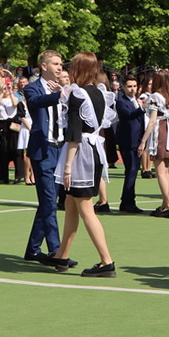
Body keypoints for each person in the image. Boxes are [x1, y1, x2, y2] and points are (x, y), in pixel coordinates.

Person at [50, 52, 116, 278]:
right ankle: (62, 254)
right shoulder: (99, 92)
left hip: (81, 154)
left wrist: (67, 166)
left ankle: (106, 261)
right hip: (95, 151)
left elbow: (74, 134)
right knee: (71, 203)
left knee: (85, 208)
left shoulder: (76, 94)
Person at [22, 50, 70, 267]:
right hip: (43, 149)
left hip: (61, 149)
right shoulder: (32, 87)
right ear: (43, 66)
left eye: (61, 64)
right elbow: (36, 102)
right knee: (49, 201)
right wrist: (59, 95)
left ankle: (33, 249)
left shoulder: (64, 89)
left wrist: (66, 94)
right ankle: (56, 252)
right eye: (55, 64)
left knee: (48, 203)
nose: (59, 67)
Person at [140, 72, 169, 218]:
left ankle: (168, 205)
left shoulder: (155, 96)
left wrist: (143, 141)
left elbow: (152, 121)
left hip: (160, 131)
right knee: (166, 171)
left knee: (161, 172)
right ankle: (165, 203)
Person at [113, 74, 145, 213]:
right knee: (131, 171)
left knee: (133, 171)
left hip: (137, 140)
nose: (132, 89)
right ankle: (127, 202)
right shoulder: (121, 101)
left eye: (134, 86)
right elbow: (127, 115)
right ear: (123, 87)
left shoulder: (137, 100)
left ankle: (128, 201)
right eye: (129, 86)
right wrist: (142, 109)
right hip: (127, 141)